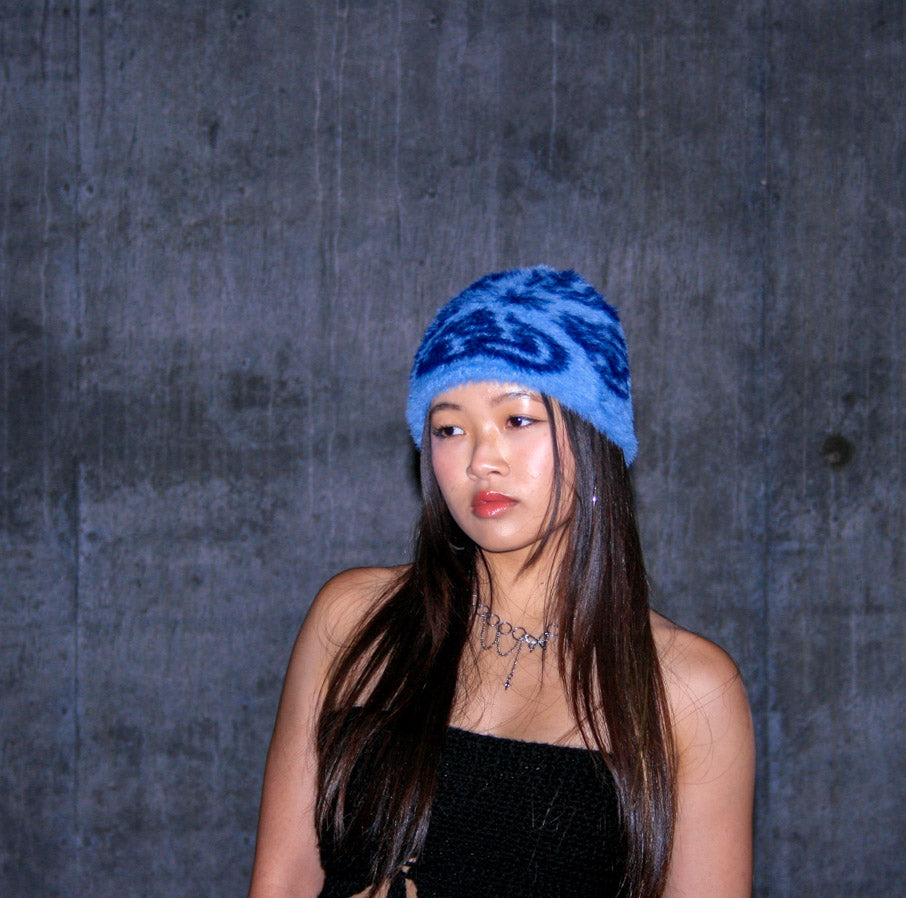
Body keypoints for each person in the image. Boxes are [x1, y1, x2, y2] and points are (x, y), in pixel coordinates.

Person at [249, 266, 755, 898]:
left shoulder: (688, 689)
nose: (481, 459)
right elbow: (283, 879)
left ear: (594, 433)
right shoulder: (354, 619)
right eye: (449, 428)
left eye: (517, 419)